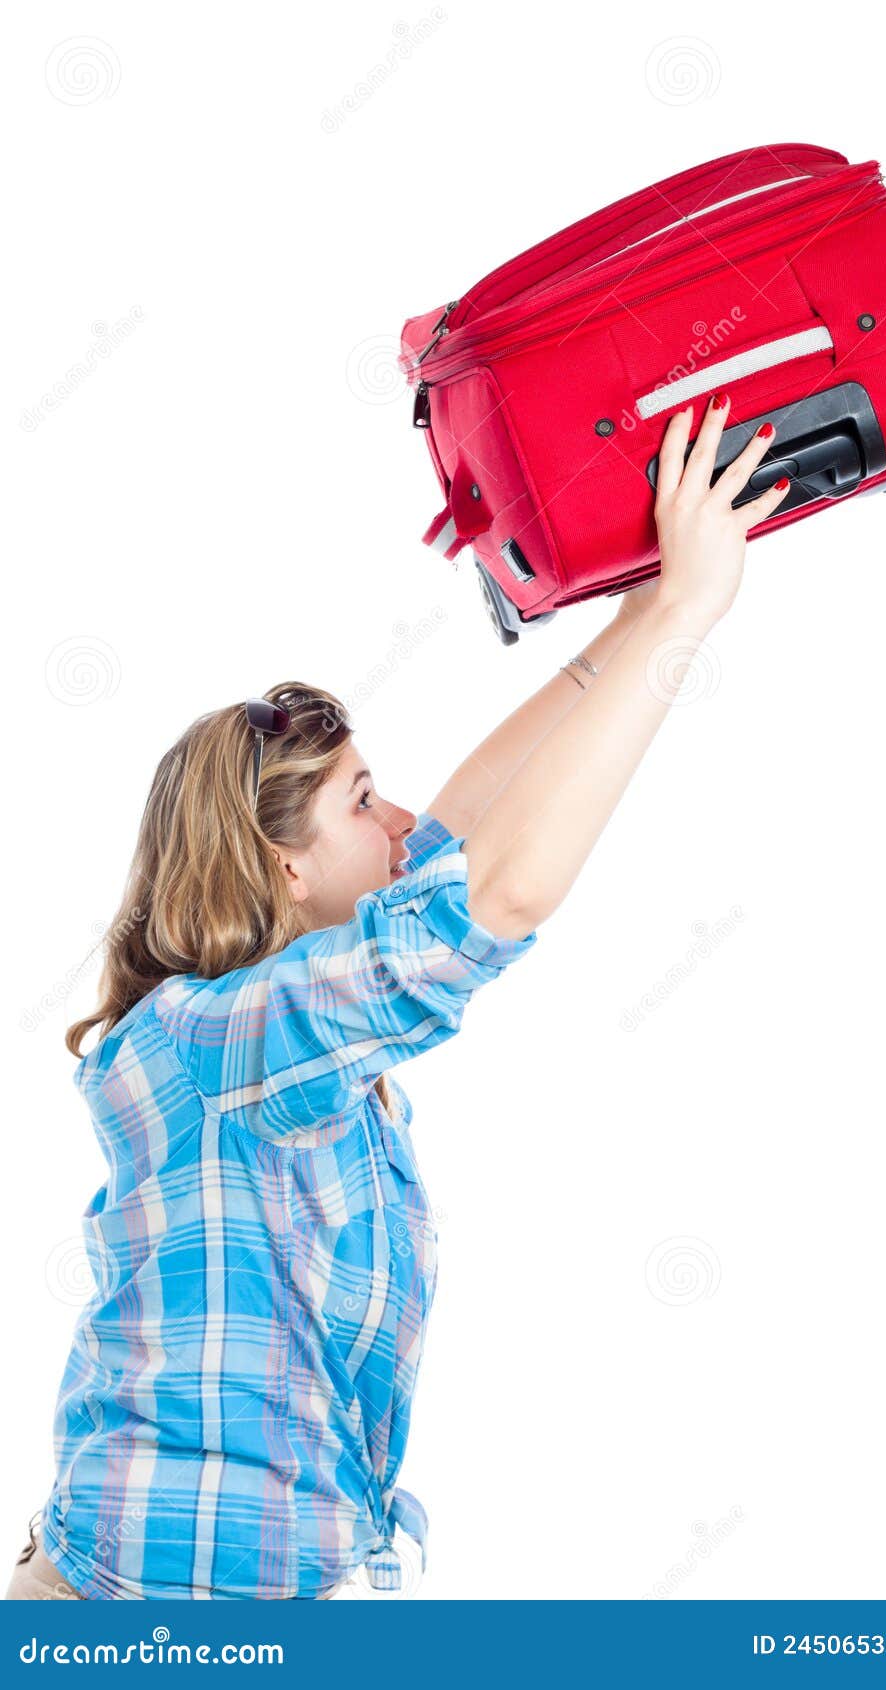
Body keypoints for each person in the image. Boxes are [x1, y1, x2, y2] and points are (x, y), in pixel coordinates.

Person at [6, 395, 789, 1600]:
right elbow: (496, 894)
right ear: (285, 867)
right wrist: (685, 615)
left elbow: (464, 837)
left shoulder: (279, 1031)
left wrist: (637, 613)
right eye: (363, 800)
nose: (402, 820)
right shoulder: (216, 1039)